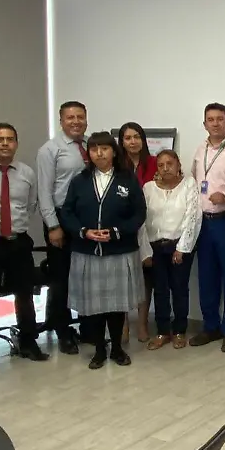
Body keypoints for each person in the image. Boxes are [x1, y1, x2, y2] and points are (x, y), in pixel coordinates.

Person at [61, 132, 147, 369]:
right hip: (87, 251)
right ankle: (99, 349)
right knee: (94, 306)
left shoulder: (127, 179)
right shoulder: (79, 181)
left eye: (104, 148)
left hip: (119, 250)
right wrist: (83, 231)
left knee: (116, 305)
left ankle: (117, 348)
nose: (99, 153)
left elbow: (139, 213)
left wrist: (117, 232)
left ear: (114, 152)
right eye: (94, 149)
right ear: (88, 153)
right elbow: (67, 212)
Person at [0, 123, 49, 376]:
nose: (5, 143)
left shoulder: (27, 173)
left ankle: (28, 342)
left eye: (10, 139)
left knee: (25, 295)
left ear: (16, 143)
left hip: (18, 242)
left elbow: (31, 205)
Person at [36, 101, 89, 355]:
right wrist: (53, 225)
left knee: (85, 275)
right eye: (70, 117)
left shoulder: (91, 145)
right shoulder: (50, 150)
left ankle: (88, 328)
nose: (76, 121)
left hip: (86, 218)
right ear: (61, 121)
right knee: (62, 279)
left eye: (80, 117)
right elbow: (44, 192)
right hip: (60, 218)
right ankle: (63, 331)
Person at [189, 103, 225, 353]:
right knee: (206, 276)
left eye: (220, 119)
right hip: (203, 222)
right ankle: (211, 326)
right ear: (204, 124)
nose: (215, 123)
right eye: (210, 119)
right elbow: (194, 180)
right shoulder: (200, 149)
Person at [143, 150, 201, 350]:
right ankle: (162, 331)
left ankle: (179, 331)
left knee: (179, 288)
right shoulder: (148, 188)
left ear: (178, 165)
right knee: (160, 290)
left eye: (170, 163)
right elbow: (142, 222)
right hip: (155, 247)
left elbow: (192, 217)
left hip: (179, 246)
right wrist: (145, 251)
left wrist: (182, 248)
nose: (165, 168)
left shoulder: (188, 185)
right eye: (161, 165)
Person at [118, 122, 158, 343]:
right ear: (122, 142)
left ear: (143, 140)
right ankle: (123, 325)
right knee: (123, 279)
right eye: (127, 138)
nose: (132, 141)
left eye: (136, 137)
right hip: (124, 227)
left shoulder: (154, 163)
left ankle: (142, 324)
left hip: (150, 226)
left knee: (145, 277)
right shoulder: (117, 166)